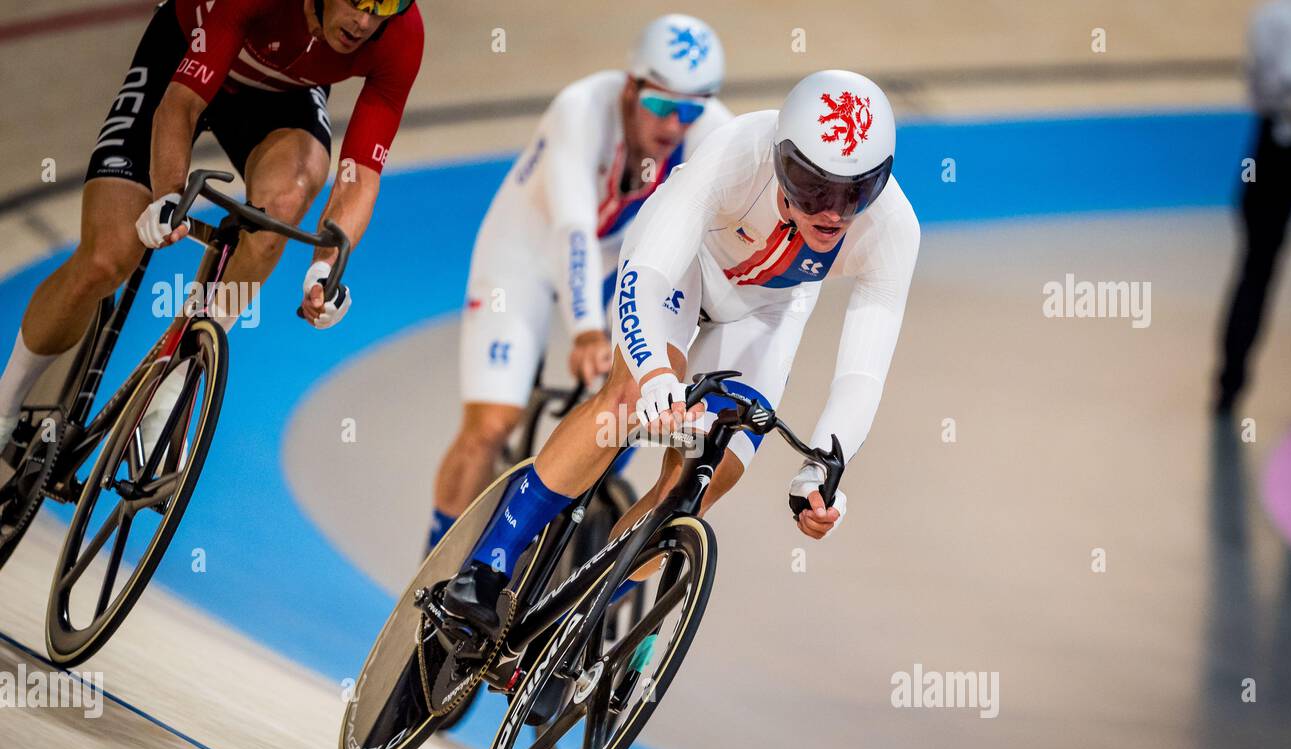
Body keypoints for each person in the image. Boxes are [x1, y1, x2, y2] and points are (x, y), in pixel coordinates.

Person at [439, 69, 921, 639]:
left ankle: (571, 625)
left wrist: (824, 469)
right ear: (780, 160)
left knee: (706, 475)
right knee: (625, 401)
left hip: (767, 310)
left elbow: (863, 371)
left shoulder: (893, 229)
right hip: (679, 265)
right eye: (815, 188)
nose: (834, 212)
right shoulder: (740, 151)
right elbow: (648, 273)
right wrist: (655, 376)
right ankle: (484, 570)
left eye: (855, 192)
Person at [0, 0, 424, 454]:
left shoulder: (401, 37)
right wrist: (166, 196)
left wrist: (326, 269)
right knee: (108, 255)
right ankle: (5, 403)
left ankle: (174, 386)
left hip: (281, 95)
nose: (364, 22)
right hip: (184, 58)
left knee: (283, 203)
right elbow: (180, 105)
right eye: (357, 1)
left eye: (383, 9)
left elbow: (359, 175)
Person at [424, 13, 732, 553]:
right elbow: (574, 231)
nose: (674, 125)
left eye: (690, 109)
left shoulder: (715, 133)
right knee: (492, 424)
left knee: (626, 398)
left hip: (620, 262)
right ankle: (437, 565)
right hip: (523, 254)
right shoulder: (582, 108)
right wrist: (587, 331)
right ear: (631, 86)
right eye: (661, 105)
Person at [1215, 0, 1291, 413]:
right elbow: (1272, 92)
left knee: (1255, 270)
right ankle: (1229, 383)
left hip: (1274, 149)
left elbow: (1268, 88)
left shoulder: (1271, 18)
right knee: (1256, 268)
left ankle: (1228, 384)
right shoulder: (1273, 18)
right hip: (1274, 154)